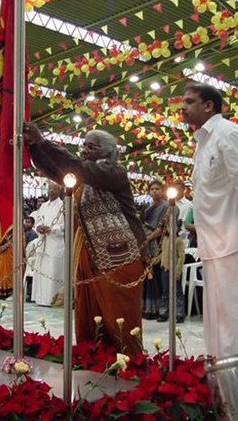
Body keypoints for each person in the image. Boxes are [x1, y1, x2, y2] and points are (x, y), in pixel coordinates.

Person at [23, 122, 148, 355]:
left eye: (91, 147)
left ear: (108, 152)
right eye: (84, 146)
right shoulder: (83, 176)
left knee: (119, 316)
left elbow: (77, 166)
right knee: (90, 315)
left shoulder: (113, 172)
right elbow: (54, 170)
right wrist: (34, 148)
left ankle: (130, 363)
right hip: (91, 257)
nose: (84, 151)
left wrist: (44, 142)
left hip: (120, 257)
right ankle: (96, 359)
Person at [182, 82, 238, 358]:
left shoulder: (228, 133)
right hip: (212, 240)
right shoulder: (201, 143)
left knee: (232, 316)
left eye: (190, 101)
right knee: (215, 316)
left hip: (232, 241)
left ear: (209, 105)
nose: (183, 107)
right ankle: (220, 377)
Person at [31, 182, 65, 307]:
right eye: (50, 189)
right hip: (43, 244)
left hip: (55, 244)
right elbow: (37, 221)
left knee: (53, 272)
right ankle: (41, 299)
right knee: (42, 271)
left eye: (54, 189)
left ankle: (54, 300)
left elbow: (64, 225)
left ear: (59, 190)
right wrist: (39, 227)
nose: (52, 191)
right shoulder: (43, 206)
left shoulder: (63, 205)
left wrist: (51, 229)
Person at [142, 180, 168, 320]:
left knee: (156, 275)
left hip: (158, 244)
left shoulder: (165, 206)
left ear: (162, 190)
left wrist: (149, 238)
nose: (155, 191)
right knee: (147, 275)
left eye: (158, 188)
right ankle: (148, 308)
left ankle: (157, 309)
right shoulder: (148, 208)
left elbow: (162, 228)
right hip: (147, 244)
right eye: (152, 189)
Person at [0, 226, 13, 300]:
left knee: (9, 270)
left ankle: (11, 292)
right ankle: (0, 291)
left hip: (11, 251)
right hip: (1, 253)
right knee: (0, 270)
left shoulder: (14, 225)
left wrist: (5, 246)